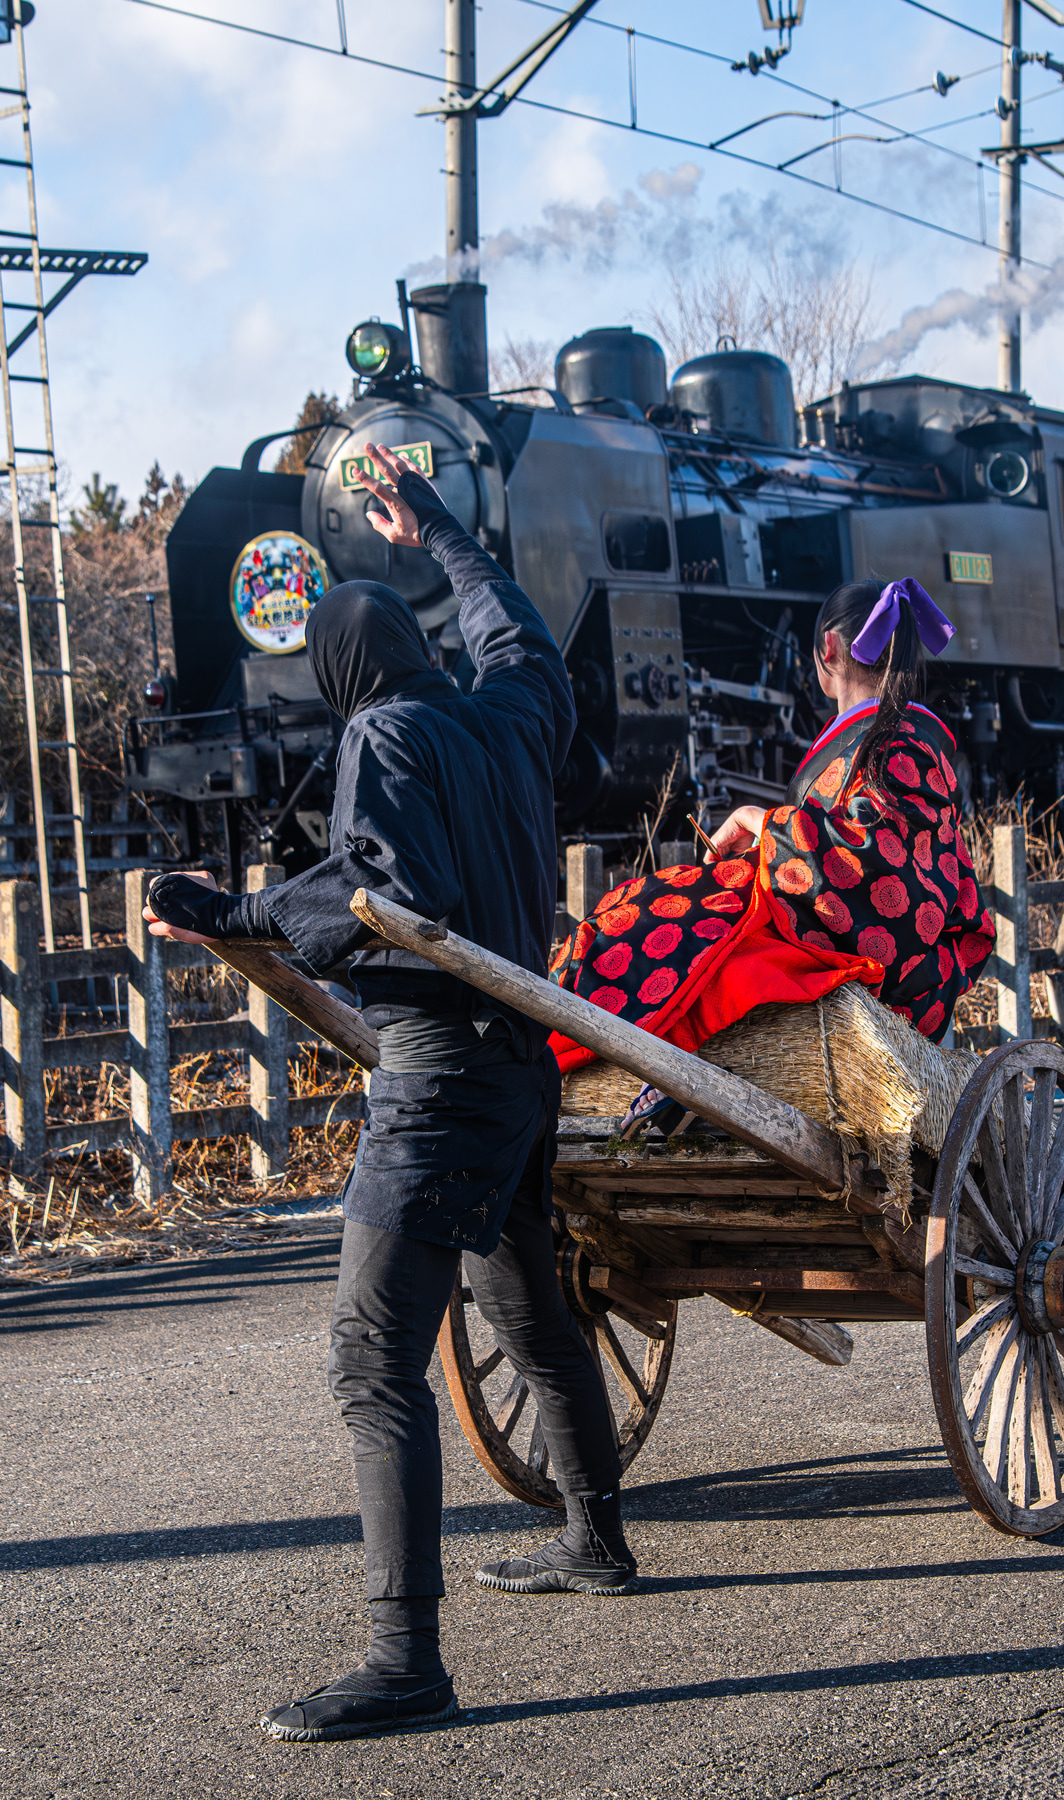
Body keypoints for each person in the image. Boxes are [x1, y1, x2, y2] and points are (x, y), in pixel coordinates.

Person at [144, 446, 635, 1745]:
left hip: (441, 1081)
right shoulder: (510, 717)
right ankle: (595, 1537)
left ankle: (402, 1659)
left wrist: (229, 909)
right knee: (528, 1308)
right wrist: (439, 534)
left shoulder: (385, 732)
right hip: (524, 1067)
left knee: (373, 1358)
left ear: (346, 679)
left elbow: (382, 894)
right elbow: (517, 634)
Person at [703, 576, 994, 1037]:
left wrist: (761, 824)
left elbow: (870, 862)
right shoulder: (894, 741)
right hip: (853, 957)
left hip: (885, 981)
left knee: (689, 943)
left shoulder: (895, 747)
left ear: (829, 646)